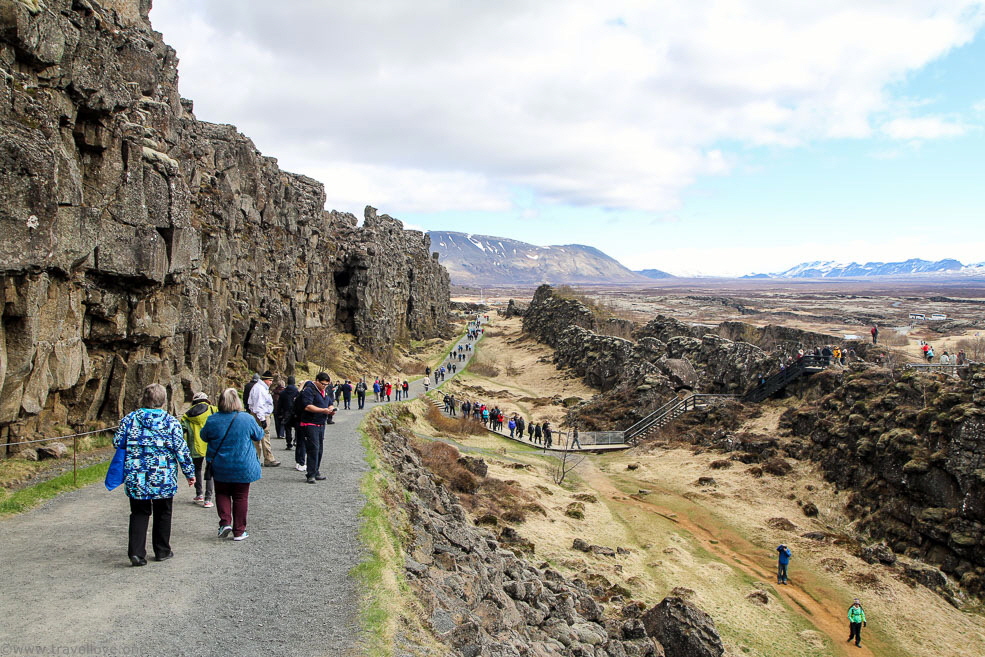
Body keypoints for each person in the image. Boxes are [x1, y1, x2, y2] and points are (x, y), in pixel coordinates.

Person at [114, 383, 195, 566]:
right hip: (163, 476)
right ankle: (162, 550)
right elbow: (181, 450)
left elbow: (117, 441)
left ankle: (136, 552)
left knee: (139, 512)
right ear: (164, 401)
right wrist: (189, 473)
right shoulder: (170, 422)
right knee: (163, 512)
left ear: (144, 398)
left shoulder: (130, 420)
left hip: (137, 474)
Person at [201, 388, 264, 541]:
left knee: (222, 493)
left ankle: (225, 523)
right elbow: (258, 435)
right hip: (243, 465)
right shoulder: (246, 418)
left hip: (221, 464)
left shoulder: (213, 419)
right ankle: (239, 530)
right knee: (241, 496)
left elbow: (204, 436)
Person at [181, 391, 217, 508]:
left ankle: (199, 494)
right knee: (210, 471)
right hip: (211, 444)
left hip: (195, 446)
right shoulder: (213, 410)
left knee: (197, 469)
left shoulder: (187, 415)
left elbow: (182, 431)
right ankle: (208, 498)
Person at [298, 372, 335, 484]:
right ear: (317, 381)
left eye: (326, 385)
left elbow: (329, 402)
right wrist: (323, 410)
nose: (325, 386)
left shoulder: (324, 391)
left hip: (321, 423)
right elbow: (307, 406)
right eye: (323, 384)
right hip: (310, 423)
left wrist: (331, 408)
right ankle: (310, 474)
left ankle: (316, 470)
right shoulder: (309, 390)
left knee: (319, 449)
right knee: (313, 448)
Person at [247, 370, 280, 467]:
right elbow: (259, 405)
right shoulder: (260, 389)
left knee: (258, 437)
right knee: (263, 436)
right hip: (261, 415)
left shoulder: (260, 388)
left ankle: (257, 457)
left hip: (260, 414)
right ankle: (267, 458)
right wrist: (262, 419)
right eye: (270, 381)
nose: (271, 383)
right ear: (265, 380)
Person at [276, 376, 299, 450]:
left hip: (286, 412)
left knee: (287, 428)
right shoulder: (297, 392)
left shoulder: (283, 393)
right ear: (294, 382)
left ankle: (289, 443)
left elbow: (279, 404)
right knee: (297, 428)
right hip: (296, 412)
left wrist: (279, 413)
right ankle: (296, 440)